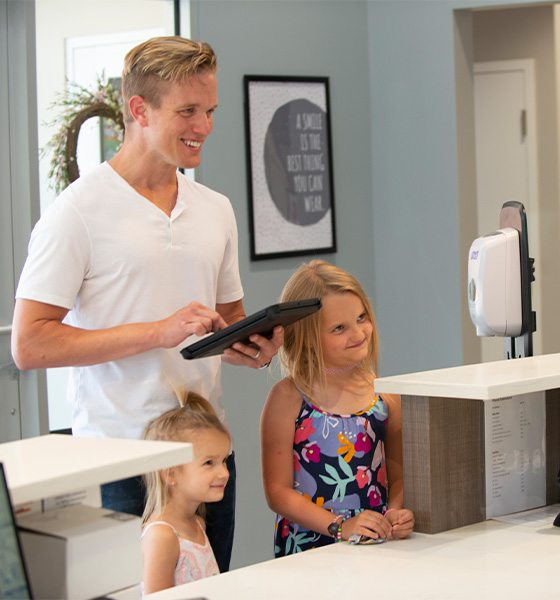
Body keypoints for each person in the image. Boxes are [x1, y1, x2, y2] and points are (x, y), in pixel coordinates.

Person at [10, 36, 282, 572]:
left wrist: (247, 344)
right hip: (120, 459)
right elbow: (29, 343)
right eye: (187, 111)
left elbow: (224, 324)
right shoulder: (78, 212)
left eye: (209, 111)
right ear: (139, 110)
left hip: (205, 455)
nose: (203, 126)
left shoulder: (215, 209)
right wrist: (158, 331)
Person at [260, 260, 414, 556]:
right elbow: (277, 492)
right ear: (306, 336)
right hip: (309, 549)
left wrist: (395, 512)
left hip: (375, 543)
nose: (358, 333)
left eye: (361, 318)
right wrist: (340, 527)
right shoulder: (288, 397)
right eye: (339, 328)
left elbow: (398, 472)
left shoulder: (385, 394)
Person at [140, 392, 231, 594]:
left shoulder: (198, 523)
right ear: (171, 473)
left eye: (224, 461)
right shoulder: (162, 536)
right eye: (209, 463)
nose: (224, 473)